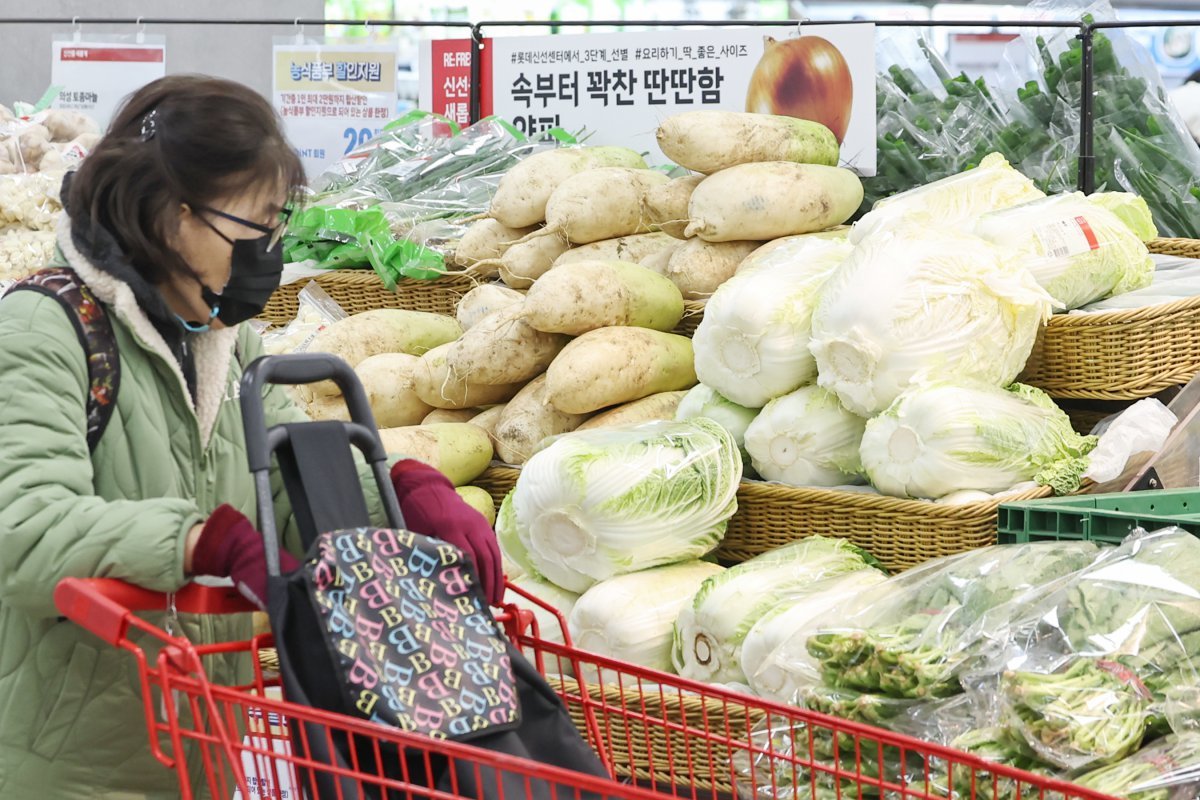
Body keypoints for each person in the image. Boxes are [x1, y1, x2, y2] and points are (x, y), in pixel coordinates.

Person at [0, 75, 502, 799]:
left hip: (201, 750)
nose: (270, 248)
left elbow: (293, 480)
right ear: (175, 215)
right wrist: (195, 542)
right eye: (255, 224)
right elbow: (22, 531)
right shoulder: (43, 328)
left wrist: (402, 495)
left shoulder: (223, 341)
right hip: (69, 767)